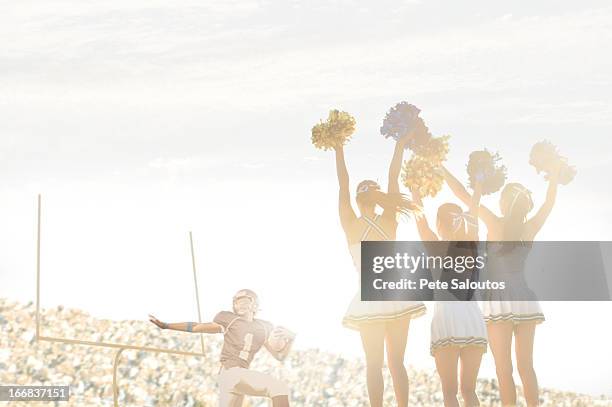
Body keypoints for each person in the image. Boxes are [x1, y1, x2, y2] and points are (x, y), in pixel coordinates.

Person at [442, 163, 561, 407]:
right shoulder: (529, 228)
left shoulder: (494, 223)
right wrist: (554, 175)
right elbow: (548, 204)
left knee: (503, 368)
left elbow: (462, 195)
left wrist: (442, 168)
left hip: (498, 302)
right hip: (524, 299)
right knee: (526, 366)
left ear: (505, 204)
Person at [332, 132, 425, 407]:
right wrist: (399, 145)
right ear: (377, 197)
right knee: (397, 362)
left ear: (359, 200)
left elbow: (342, 185)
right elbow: (393, 178)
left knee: (374, 363)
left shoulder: (350, 223)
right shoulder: (389, 219)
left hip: (370, 297)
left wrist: (338, 149)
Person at [411, 181, 487, 407]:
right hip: (473, 320)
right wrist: (478, 188)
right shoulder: (472, 243)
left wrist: (415, 190)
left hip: (446, 319)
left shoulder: (434, 245)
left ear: (439, 224)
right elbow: (473, 213)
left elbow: (420, 219)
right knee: (469, 391)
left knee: (450, 393)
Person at [149, 289, 295, 407]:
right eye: (238, 301)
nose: (241, 304)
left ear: (255, 305)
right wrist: (167, 326)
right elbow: (196, 327)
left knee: (278, 387)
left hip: (237, 378)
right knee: (278, 387)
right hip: (231, 373)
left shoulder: (263, 327)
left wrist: (291, 339)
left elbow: (280, 356)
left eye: (245, 300)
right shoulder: (229, 318)